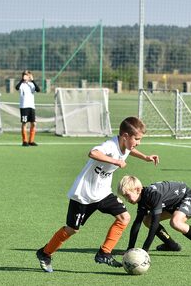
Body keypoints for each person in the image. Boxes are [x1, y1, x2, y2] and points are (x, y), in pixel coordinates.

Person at [36, 117, 159, 273]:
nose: (138, 142)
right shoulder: (110, 145)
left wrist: (145, 157)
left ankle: (104, 253)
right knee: (72, 229)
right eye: (137, 139)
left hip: (102, 193)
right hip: (83, 194)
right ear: (125, 136)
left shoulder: (126, 145)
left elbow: (130, 150)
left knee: (124, 217)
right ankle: (45, 253)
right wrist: (115, 161)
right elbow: (93, 153)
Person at [118, 175, 191, 259]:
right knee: (147, 220)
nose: (127, 199)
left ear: (138, 189)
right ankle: (171, 245)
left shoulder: (153, 195)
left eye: (127, 195)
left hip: (188, 197)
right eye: (124, 196)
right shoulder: (142, 199)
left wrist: (145, 250)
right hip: (171, 203)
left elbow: (155, 224)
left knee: (175, 222)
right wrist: (129, 249)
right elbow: (137, 223)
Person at [15, 70, 40, 146]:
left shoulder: (32, 84)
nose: (27, 76)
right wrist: (22, 80)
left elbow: (38, 90)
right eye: (26, 75)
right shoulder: (21, 84)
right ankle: (24, 141)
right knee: (24, 123)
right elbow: (16, 87)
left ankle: (31, 141)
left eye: (28, 75)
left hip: (31, 106)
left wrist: (33, 80)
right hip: (24, 106)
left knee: (34, 123)